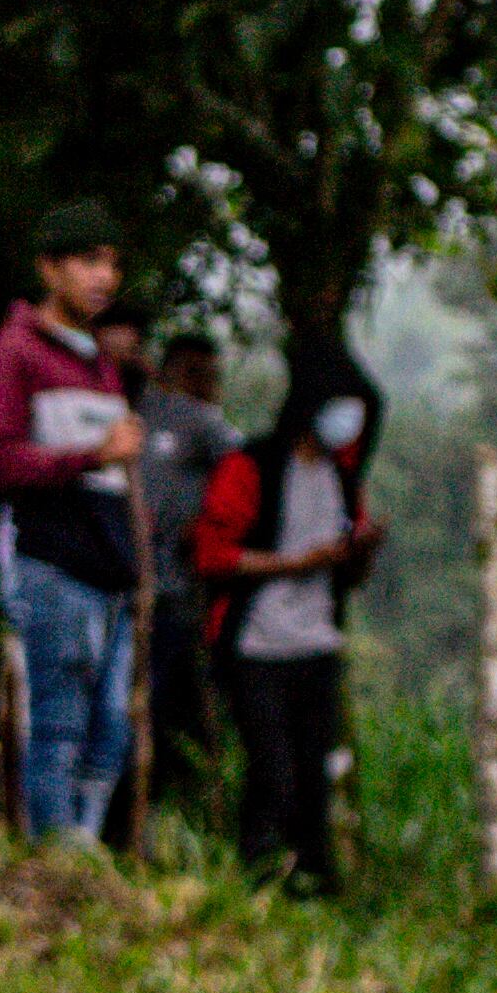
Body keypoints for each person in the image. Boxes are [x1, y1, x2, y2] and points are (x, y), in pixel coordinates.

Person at [0, 201, 144, 843]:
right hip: (52, 563)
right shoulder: (16, 351)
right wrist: (92, 454)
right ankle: (53, 857)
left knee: (110, 730)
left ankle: (84, 849)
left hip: (108, 568)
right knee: (59, 724)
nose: (105, 277)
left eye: (113, 264)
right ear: (49, 269)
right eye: (89, 261)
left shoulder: (98, 360)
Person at [193, 347, 385, 896]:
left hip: (316, 645)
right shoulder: (250, 465)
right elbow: (211, 555)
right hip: (254, 647)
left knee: (313, 772)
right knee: (271, 770)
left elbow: (349, 572)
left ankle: (314, 878)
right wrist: (296, 564)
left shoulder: (345, 479)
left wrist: (361, 550)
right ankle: (257, 873)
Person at [135, 331, 243, 819]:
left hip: (176, 592)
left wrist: (205, 530)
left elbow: (241, 470)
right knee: (163, 712)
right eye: (203, 374)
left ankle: (179, 814)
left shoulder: (192, 424)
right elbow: (251, 463)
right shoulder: (181, 417)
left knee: (174, 714)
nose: (211, 385)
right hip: (157, 593)